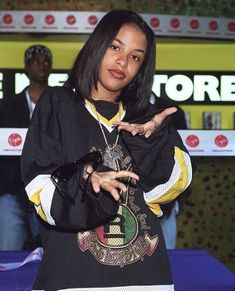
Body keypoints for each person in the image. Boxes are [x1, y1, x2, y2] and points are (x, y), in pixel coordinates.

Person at [21, 10, 192, 291]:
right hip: (72, 277)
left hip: (146, 279)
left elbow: (170, 190)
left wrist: (151, 142)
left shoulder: (147, 117)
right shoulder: (57, 103)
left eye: (135, 57)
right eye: (115, 47)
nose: (123, 62)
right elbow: (40, 186)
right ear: (97, 45)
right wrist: (84, 182)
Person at [0, 44, 52, 250]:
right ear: (26, 67)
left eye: (46, 62)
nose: (42, 65)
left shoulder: (61, 105)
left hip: (48, 192)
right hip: (12, 194)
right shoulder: (7, 107)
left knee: (52, 259)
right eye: (36, 61)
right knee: (7, 254)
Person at [150, 93, 188, 249]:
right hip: (131, 193)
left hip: (167, 193)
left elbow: (184, 154)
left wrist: (176, 196)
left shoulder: (172, 110)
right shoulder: (120, 105)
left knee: (169, 255)